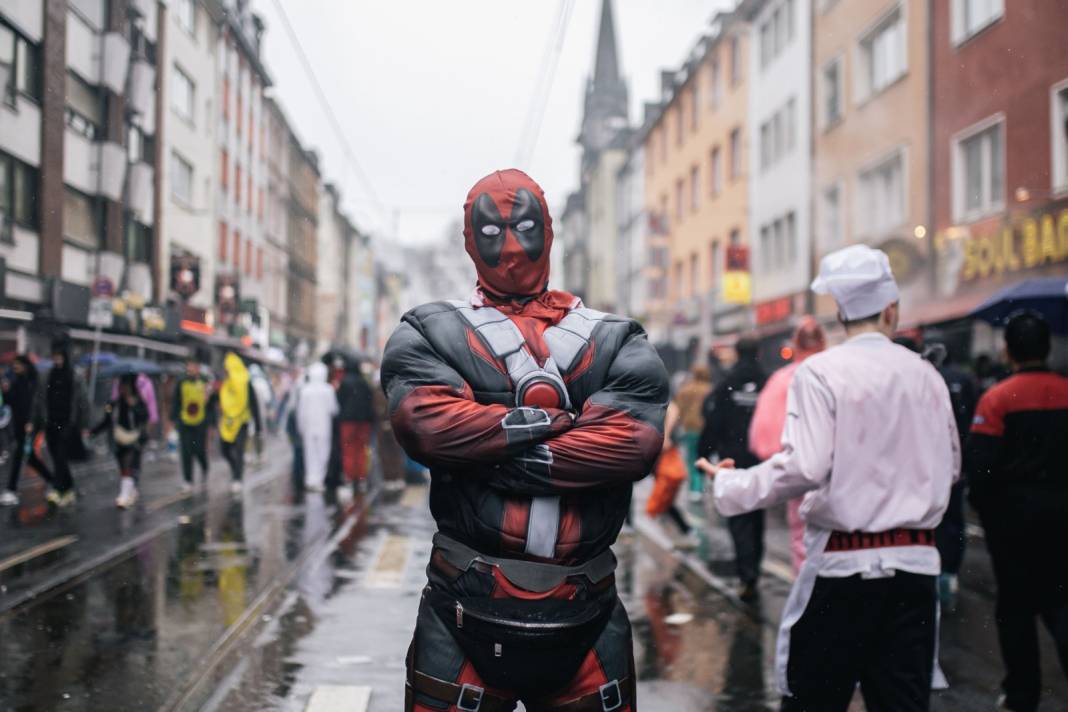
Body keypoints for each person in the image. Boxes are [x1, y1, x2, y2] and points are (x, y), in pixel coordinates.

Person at [381, 169, 668, 712]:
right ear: (470, 241)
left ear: (549, 231)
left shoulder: (616, 337)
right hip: (464, 601)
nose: (511, 249)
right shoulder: (426, 331)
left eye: (525, 227)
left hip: (585, 606)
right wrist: (561, 423)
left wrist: (488, 451)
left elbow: (633, 442)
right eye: (491, 233)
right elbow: (425, 424)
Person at [698, 244, 959, 711]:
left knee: (814, 699)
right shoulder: (927, 376)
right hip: (914, 572)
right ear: (891, 310)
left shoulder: (820, 372)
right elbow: (953, 465)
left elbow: (804, 466)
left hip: (845, 573)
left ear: (840, 314)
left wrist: (730, 484)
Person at [965, 311, 1068, 712]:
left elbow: (979, 468)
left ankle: (1022, 695)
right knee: (1062, 601)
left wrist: (991, 514)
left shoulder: (995, 400)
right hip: (1063, 521)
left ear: (1008, 350)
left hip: (1014, 527)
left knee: (1016, 609)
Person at [747, 317, 827, 574]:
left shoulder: (782, 380)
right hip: (840, 470)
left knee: (801, 532)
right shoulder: (840, 373)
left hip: (800, 468)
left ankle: (807, 591)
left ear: (795, 345)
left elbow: (763, 437)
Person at [698, 335, 767, 602]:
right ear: (759, 351)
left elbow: (714, 417)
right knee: (757, 513)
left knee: (739, 516)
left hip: (733, 457)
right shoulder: (767, 382)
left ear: (737, 353)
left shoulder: (728, 382)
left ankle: (746, 574)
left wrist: (704, 450)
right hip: (761, 457)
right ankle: (754, 570)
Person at [923, 339, 977, 612]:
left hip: (929, 466)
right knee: (954, 521)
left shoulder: (928, 380)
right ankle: (948, 575)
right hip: (954, 465)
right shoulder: (964, 380)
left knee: (934, 521)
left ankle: (935, 576)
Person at [31, 338, 90, 507]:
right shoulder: (47, 375)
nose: (57, 359)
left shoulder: (74, 376)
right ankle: (69, 488)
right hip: (51, 422)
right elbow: (39, 399)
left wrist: (83, 425)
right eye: (54, 356)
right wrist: (37, 421)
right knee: (56, 456)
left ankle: (57, 489)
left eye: (59, 356)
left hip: (67, 423)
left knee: (60, 456)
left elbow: (83, 402)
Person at [93, 373, 150, 508]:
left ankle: (124, 496)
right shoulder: (114, 403)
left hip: (134, 439)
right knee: (123, 468)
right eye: (121, 386)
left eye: (125, 386)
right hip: (118, 440)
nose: (122, 389)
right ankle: (130, 491)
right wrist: (92, 432)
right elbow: (106, 421)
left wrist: (134, 406)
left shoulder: (138, 401)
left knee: (127, 466)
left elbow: (144, 417)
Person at [215, 352, 261, 494]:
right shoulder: (226, 384)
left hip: (242, 423)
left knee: (239, 451)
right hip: (227, 423)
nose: (225, 371)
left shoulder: (246, 384)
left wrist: (258, 426)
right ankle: (235, 468)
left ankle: (237, 478)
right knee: (224, 450)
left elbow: (254, 405)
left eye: (227, 368)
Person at [172, 353, 213, 493]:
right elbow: (176, 401)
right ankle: (188, 480)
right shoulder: (181, 381)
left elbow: (211, 404)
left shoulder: (205, 381)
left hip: (200, 422)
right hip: (185, 422)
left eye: (193, 365)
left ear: (198, 367)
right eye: (188, 365)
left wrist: (212, 422)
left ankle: (205, 466)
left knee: (199, 449)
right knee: (186, 451)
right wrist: (173, 419)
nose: (191, 368)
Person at [1, 356, 38, 506]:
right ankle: (56, 481)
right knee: (29, 458)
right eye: (14, 364)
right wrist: (5, 391)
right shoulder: (17, 381)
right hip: (18, 424)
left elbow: (33, 404)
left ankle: (11, 489)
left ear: (25, 366)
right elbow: (11, 401)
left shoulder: (31, 383)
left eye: (17, 364)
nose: (15, 367)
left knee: (19, 456)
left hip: (28, 425)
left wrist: (31, 421)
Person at [296, 362, 338, 493]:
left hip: (309, 427)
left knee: (310, 454)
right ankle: (318, 479)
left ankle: (310, 479)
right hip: (323, 427)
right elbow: (334, 409)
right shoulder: (328, 390)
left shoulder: (305, 390)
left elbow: (301, 412)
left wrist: (301, 427)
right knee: (322, 453)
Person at [336, 360, 375, 493]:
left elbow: (339, 401)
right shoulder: (364, 382)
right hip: (363, 422)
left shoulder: (344, 382)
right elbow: (370, 400)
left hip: (347, 422)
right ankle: (360, 476)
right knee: (361, 449)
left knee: (348, 449)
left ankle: (349, 476)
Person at [674, 365, 713, 496]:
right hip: (707, 428)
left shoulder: (686, 390)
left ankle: (695, 487)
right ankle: (701, 483)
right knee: (704, 457)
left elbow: (678, 409)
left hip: (690, 428)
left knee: (691, 458)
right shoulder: (710, 390)